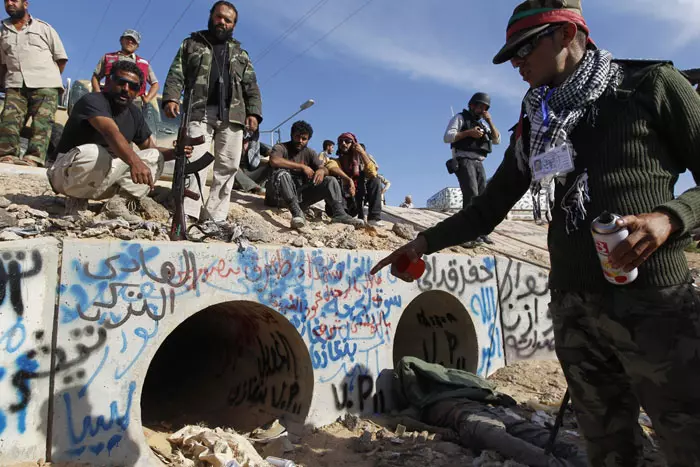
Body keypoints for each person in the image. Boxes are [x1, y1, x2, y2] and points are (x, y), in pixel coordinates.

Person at [372, 1, 700, 465]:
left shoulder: (649, 86)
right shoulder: (536, 124)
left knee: (688, 436)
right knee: (608, 446)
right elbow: (487, 208)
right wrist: (422, 242)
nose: (516, 64)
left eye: (524, 49)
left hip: (655, 304)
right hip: (575, 310)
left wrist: (670, 217)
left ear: (567, 34)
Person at [163, 0, 262, 225]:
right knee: (194, 160)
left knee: (228, 167)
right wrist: (171, 97)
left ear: (233, 26)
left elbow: (252, 86)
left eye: (228, 20)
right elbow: (176, 73)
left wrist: (254, 113)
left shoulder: (240, 54)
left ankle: (214, 218)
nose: (222, 22)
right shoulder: (192, 44)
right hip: (198, 111)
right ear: (211, 16)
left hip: (233, 116)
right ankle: (187, 213)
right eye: (219, 17)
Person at [47, 61, 185, 222]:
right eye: (121, 82)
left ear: (138, 91)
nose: (126, 89)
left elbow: (151, 148)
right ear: (110, 81)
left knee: (154, 156)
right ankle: (75, 201)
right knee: (95, 152)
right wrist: (135, 161)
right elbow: (109, 131)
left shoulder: (134, 113)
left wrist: (177, 152)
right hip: (65, 174)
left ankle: (117, 205)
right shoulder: (93, 101)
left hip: (102, 177)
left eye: (133, 86)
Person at [0, 0, 67, 167]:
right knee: (9, 121)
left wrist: (48, 80)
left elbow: (60, 59)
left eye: (14, 0)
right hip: (15, 83)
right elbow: (2, 63)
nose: (9, 3)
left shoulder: (44, 28)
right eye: (6, 1)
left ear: (25, 4)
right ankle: (7, 155)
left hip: (45, 83)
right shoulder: (2, 30)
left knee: (41, 124)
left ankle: (34, 158)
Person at [264, 120, 363, 229]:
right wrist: (302, 167)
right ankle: (296, 213)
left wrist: (321, 171)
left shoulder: (309, 153)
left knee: (330, 180)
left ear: (308, 139)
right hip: (277, 197)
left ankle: (339, 214)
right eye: (297, 137)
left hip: (299, 197)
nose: (300, 141)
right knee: (282, 174)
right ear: (291, 135)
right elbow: (274, 160)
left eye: (304, 139)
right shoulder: (281, 147)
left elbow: (324, 168)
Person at [444, 92, 501, 244]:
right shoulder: (460, 118)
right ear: (472, 105)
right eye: (480, 106)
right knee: (471, 194)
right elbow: (447, 137)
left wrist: (489, 121)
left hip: (479, 162)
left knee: (482, 197)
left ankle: (480, 232)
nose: (482, 110)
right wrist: (468, 133)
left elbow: (497, 140)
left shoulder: (483, 124)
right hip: (464, 159)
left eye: (485, 108)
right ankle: (465, 234)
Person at [91, 29, 159, 105]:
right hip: (109, 101)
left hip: (134, 104)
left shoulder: (144, 64)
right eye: (128, 39)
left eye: (133, 41)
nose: (130, 42)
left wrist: (147, 99)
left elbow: (155, 84)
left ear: (137, 46)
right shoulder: (108, 57)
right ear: (121, 40)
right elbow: (95, 77)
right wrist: (98, 95)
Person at [337, 133, 383, 227]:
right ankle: (342, 216)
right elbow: (331, 166)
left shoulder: (360, 161)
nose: (344, 144)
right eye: (341, 142)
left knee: (375, 181)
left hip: (358, 196)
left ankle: (373, 219)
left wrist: (362, 153)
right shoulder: (337, 161)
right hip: (344, 198)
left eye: (347, 141)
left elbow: (373, 174)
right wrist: (349, 180)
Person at [234, 129, 270, 195]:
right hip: (236, 176)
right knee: (232, 165)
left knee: (271, 164)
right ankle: (254, 188)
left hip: (250, 173)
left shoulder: (255, 143)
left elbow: (269, 152)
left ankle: (273, 188)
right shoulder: (233, 139)